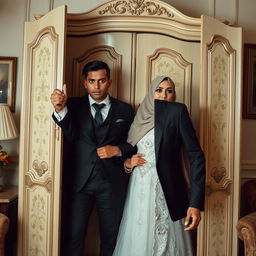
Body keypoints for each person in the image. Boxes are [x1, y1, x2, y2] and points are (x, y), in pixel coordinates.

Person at [50, 60, 137, 256]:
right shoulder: (72, 105)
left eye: (101, 81)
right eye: (91, 81)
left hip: (112, 183)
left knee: (110, 237)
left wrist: (116, 150)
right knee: (74, 236)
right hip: (80, 183)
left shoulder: (124, 109)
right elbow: (70, 134)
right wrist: (60, 109)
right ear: (84, 83)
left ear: (109, 82)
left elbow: (133, 144)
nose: (96, 86)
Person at [113, 76, 206, 256]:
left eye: (169, 91)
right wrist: (127, 163)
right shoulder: (139, 116)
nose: (164, 95)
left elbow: (196, 157)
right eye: (159, 90)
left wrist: (195, 203)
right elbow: (126, 150)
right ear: (151, 93)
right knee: (139, 238)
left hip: (167, 190)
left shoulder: (177, 113)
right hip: (138, 191)